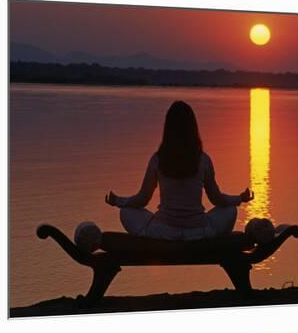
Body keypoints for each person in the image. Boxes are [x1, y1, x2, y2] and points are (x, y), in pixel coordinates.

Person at [104, 100, 254, 241]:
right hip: (197, 231)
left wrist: (119, 201)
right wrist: (239, 199)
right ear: (193, 128)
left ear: (168, 129)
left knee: (126, 211)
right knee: (230, 210)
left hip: (164, 231)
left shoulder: (158, 158)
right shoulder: (203, 159)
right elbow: (216, 198)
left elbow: (143, 199)